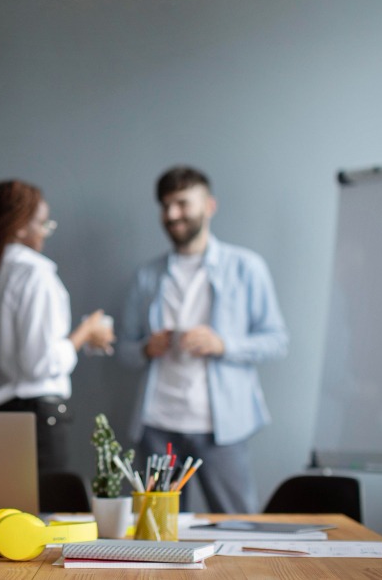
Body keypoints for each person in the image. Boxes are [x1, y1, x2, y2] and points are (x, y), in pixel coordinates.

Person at [118, 165, 288, 513]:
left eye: (182, 203)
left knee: (237, 525)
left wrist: (224, 344)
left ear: (209, 206)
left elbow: (277, 340)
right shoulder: (147, 275)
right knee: (156, 534)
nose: (172, 214)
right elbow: (123, 350)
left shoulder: (246, 267)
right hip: (158, 426)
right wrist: (146, 349)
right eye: (165, 206)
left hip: (221, 428)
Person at [0, 180, 115, 476]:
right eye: (43, 223)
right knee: (38, 515)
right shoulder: (35, 273)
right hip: (36, 420)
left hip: (0, 415)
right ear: (20, 226)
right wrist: (85, 332)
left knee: (7, 516)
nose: (46, 231)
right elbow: (39, 364)